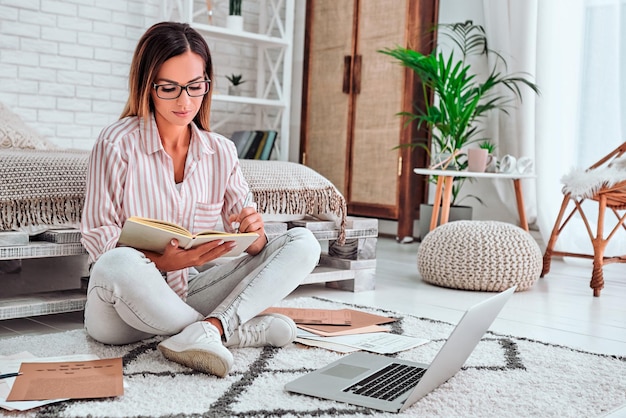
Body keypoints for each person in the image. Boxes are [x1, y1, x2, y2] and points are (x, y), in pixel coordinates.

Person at [80, 21, 321, 378]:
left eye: (195, 87)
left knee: (303, 242)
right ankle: (229, 330)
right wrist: (163, 262)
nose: (185, 101)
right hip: (119, 309)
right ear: (147, 85)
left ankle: (209, 330)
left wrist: (255, 233)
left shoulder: (221, 151)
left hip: (187, 292)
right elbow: (98, 236)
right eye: (170, 88)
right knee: (118, 264)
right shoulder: (117, 143)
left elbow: (252, 245)